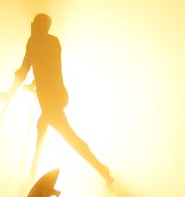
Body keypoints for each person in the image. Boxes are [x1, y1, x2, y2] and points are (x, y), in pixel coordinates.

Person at [9, 13, 112, 184]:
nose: (34, 28)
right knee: (46, 126)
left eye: (38, 26)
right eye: (35, 25)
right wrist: (32, 85)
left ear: (42, 27)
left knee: (65, 134)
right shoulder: (42, 41)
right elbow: (38, 67)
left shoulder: (44, 42)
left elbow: (32, 68)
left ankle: (100, 168)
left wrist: (11, 92)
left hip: (54, 97)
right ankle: (34, 169)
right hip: (51, 96)